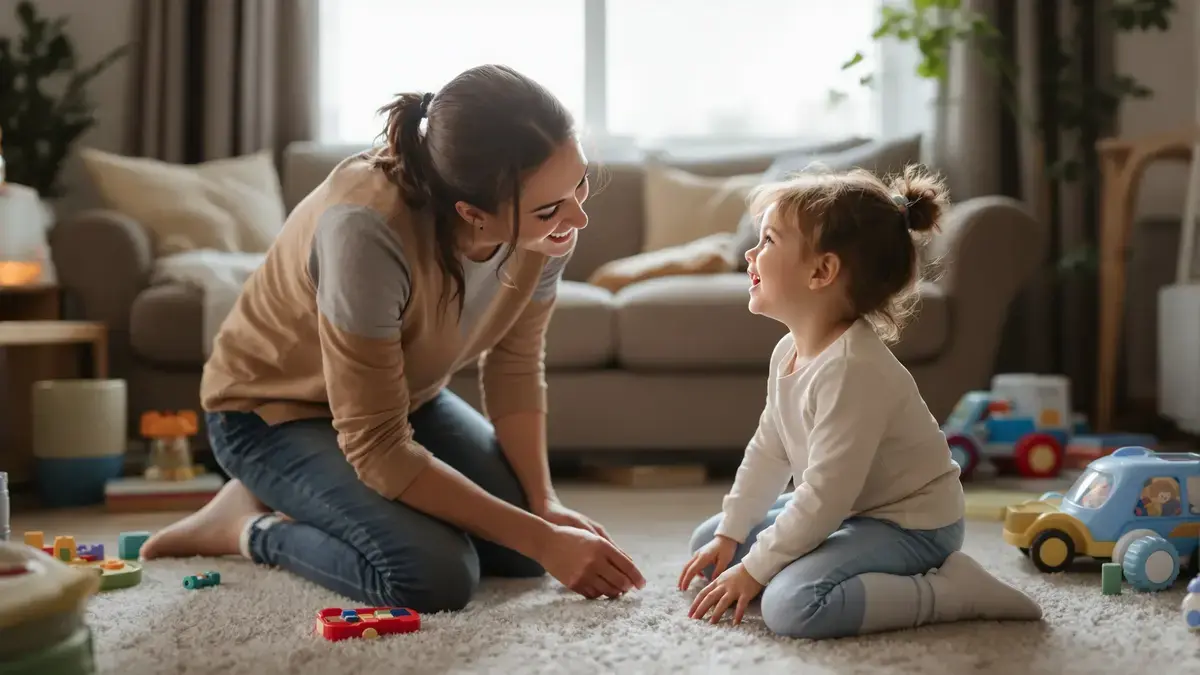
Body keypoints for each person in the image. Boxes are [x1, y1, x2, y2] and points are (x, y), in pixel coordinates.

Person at [141, 64, 646, 611]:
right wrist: (543, 536)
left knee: (522, 554)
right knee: (434, 576)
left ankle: (305, 494)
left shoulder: (551, 228)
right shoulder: (365, 231)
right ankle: (243, 525)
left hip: (398, 404)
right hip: (269, 413)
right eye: (550, 208)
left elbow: (515, 365)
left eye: (581, 183)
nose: (578, 217)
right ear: (472, 213)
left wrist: (544, 509)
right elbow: (377, 446)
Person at [677, 166, 1042, 638]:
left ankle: (951, 590)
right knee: (708, 544)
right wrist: (731, 533)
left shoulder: (854, 369)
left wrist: (757, 569)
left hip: (912, 526)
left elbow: (825, 498)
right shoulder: (788, 351)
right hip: (850, 511)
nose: (750, 253)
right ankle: (805, 559)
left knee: (793, 606)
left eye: (767, 240)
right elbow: (769, 452)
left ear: (822, 271)